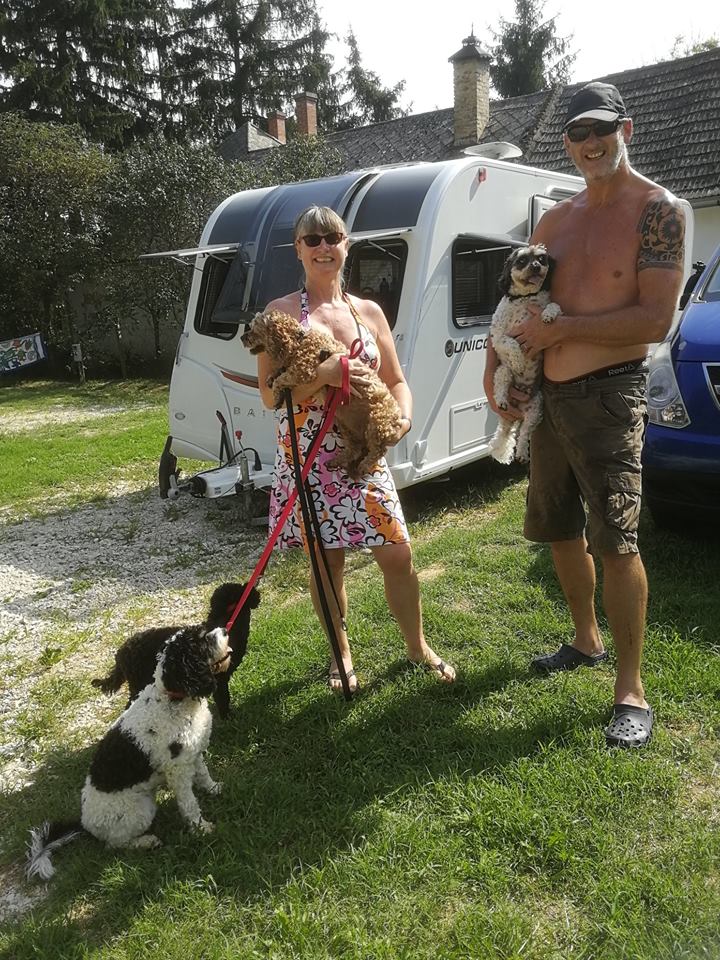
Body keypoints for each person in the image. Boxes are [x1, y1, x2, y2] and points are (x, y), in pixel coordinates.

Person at [483, 82, 686, 747]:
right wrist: (497, 376)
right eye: (576, 134)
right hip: (546, 398)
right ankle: (585, 638)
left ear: (625, 128)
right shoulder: (554, 222)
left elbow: (655, 319)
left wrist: (561, 331)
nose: (590, 143)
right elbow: (512, 310)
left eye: (600, 129)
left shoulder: (658, 210)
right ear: (566, 143)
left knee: (616, 539)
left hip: (609, 395)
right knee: (560, 529)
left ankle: (631, 689)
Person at [257, 205, 456, 695]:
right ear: (299, 249)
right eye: (313, 239)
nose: (325, 246)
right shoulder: (279, 315)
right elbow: (269, 395)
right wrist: (322, 375)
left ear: (347, 245)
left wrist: (403, 417)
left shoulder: (368, 312)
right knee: (328, 562)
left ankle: (416, 646)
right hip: (309, 457)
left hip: (365, 455)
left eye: (334, 237)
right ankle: (340, 655)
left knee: (398, 554)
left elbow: (396, 380)